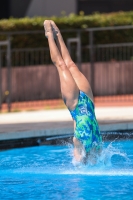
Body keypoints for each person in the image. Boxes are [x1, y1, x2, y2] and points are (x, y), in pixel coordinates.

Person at [44, 20, 102, 164]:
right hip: (88, 101)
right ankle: (59, 35)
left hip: (75, 103)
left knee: (62, 65)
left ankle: (49, 36)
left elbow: (77, 160)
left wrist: (79, 162)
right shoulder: (97, 148)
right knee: (71, 64)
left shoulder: (79, 144)